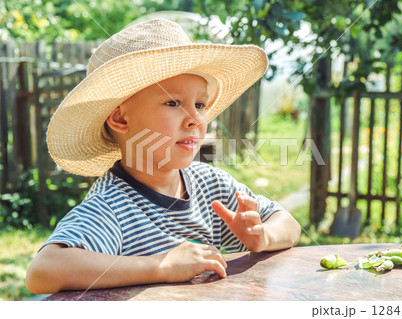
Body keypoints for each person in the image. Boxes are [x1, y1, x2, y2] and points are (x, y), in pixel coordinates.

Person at [26, 18, 301, 294]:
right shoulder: (113, 204)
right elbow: (43, 271)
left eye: (200, 104)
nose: (195, 118)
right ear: (121, 118)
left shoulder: (211, 185)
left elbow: (288, 224)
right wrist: (161, 266)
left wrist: (261, 236)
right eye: (172, 102)